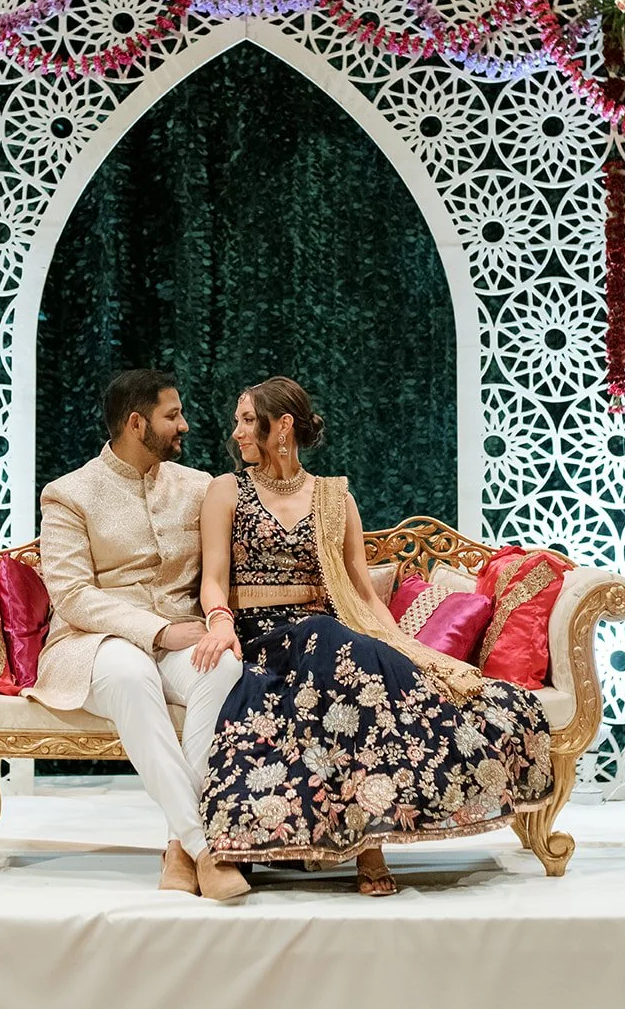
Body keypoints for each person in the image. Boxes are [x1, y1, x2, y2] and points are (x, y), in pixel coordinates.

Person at [193, 376, 554, 896]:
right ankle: (363, 848)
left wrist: (400, 647)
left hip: (328, 637)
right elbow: (213, 578)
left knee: (365, 660)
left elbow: (361, 590)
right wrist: (220, 620)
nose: (237, 432)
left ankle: (370, 840)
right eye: (239, 421)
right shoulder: (226, 491)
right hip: (264, 639)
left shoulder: (333, 497)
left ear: (283, 425)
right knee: (332, 645)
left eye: (248, 420)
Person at [26, 370, 250, 903]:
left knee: (222, 667)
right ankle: (205, 847)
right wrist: (158, 631)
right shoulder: (69, 494)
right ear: (136, 423)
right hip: (92, 644)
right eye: (172, 415)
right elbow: (72, 595)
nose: (184, 425)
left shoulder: (198, 486)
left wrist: (212, 624)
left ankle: (178, 847)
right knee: (130, 674)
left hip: (181, 637)